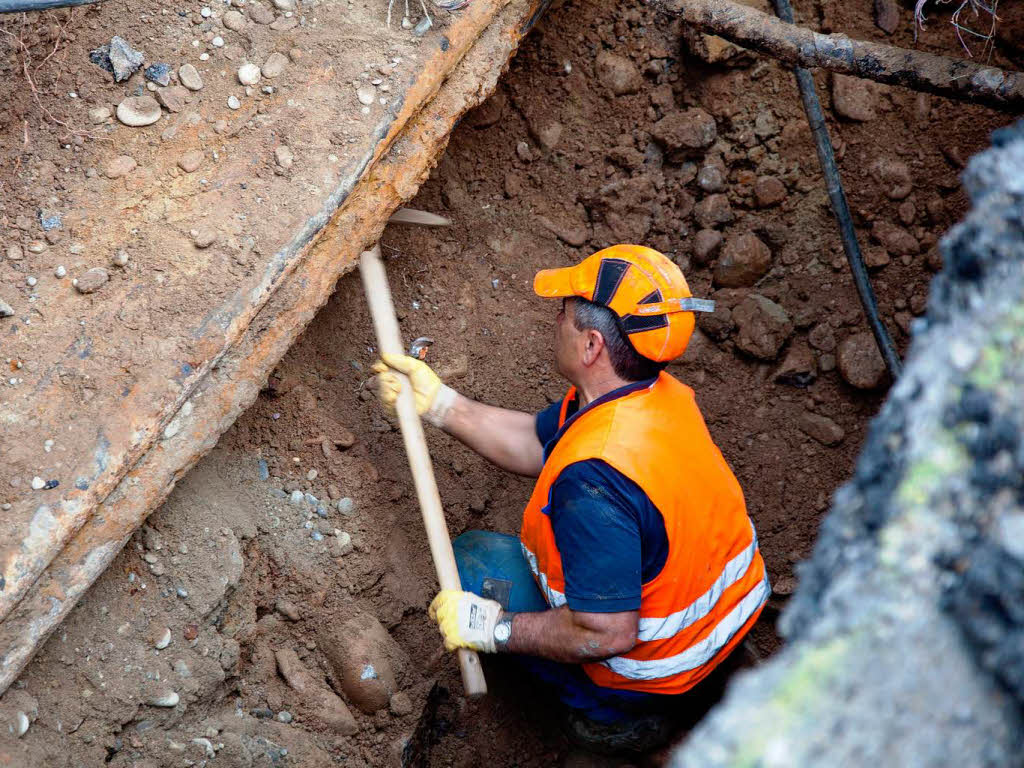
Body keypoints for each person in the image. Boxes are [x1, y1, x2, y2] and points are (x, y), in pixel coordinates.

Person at [372, 244, 769, 753]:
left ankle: (613, 723)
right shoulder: (653, 397)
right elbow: (538, 442)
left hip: (655, 681)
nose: (555, 319)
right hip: (724, 635)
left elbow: (604, 635)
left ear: (591, 347)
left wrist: (493, 628)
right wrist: (440, 404)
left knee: (471, 566)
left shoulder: (594, 482)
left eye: (564, 313)